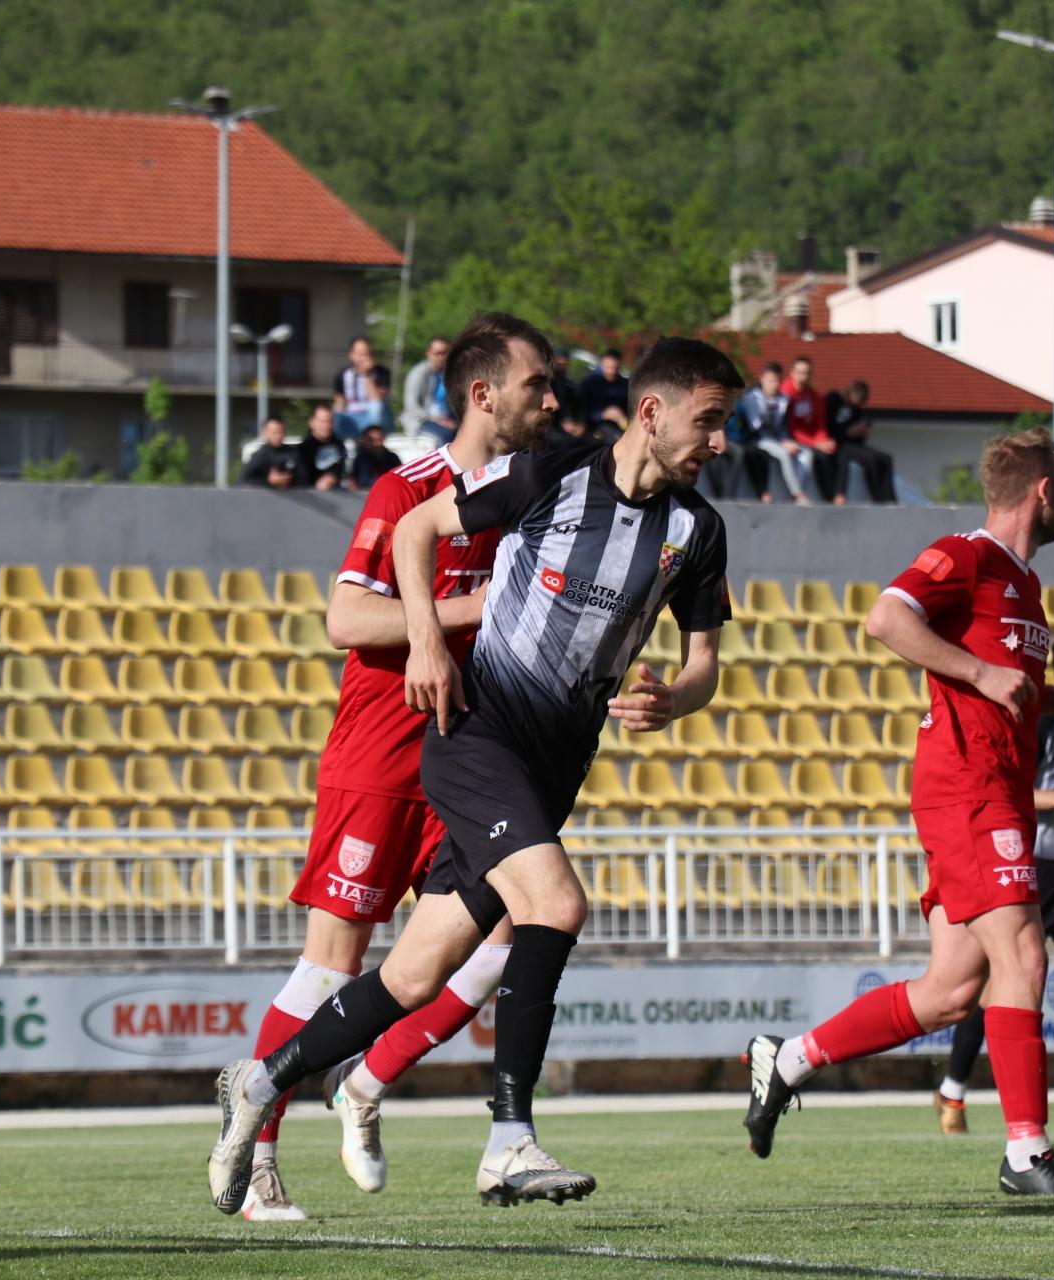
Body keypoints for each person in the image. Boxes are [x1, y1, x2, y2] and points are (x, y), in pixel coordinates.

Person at [210, 335, 740, 1214]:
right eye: (709, 421)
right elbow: (419, 528)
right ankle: (508, 1142)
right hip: (477, 734)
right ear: (653, 412)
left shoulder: (698, 531)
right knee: (557, 906)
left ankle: (259, 1086)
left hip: (555, 765)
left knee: (416, 976)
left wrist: (673, 701)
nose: (719, 442)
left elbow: (705, 662)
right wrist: (424, 636)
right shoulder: (550, 475)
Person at [233, 313, 553, 1221]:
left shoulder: (536, 499)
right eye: (538, 384)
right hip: (381, 759)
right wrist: (470, 609)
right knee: (334, 967)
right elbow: (348, 622)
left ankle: (367, 1079)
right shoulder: (406, 489)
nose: (553, 402)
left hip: (473, 761)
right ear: (485, 394)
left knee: (504, 943)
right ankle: (256, 1151)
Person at [742, 428, 1054, 1199]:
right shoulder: (968, 553)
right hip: (968, 789)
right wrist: (981, 669)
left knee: (951, 989)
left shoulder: (1024, 586)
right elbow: (886, 619)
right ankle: (1026, 1153)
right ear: (1044, 491)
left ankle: (787, 1060)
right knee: (1024, 959)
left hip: (996, 789)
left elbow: (1004, 688)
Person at [936, 631, 1054, 1137]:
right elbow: (1011, 787)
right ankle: (953, 1091)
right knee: (988, 988)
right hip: (1028, 866)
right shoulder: (1043, 723)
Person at [782, 357, 841, 502]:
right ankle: (823, 496)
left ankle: (836, 496)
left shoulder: (815, 397)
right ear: (792, 373)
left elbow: (820, 424)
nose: (803, 377)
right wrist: (815, 443)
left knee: (834, 454)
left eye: (806, 373)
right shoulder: (786, 394)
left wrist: (824, 441)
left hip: (812, 440)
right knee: (814, 457)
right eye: (800, 373)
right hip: (795, 439)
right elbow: (790, 426)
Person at [827, 379, 897, 503]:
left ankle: (890, 499)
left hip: (853, 444)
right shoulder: (832, 400)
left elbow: (858, 434)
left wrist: (861, 432)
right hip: (839, 444)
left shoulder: (856, 408)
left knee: (886, 458)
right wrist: (846, 432)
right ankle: (878, 498)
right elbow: (828, 428)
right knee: (871, 459)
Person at [744, 363, 802, 504]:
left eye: (777, 381)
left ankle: (800, 487)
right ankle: (797, 494)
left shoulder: (784, 400)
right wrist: (782, 443)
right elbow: (756, 428)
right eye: (770, 380)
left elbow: (782, 427)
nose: (774, 385)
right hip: (757, 439)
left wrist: (787, 440)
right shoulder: (752, 398)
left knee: (804, 455)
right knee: (783, 454)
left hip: (777, 439)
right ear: (762, 379)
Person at [706, 377, 771, 501]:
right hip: (725, 440)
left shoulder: (740, 404)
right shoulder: (721, 403)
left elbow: (748, 425)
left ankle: (761, 491)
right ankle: (723, 493)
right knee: (728, 454)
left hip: (739, 440)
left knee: (760, 453)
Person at [401, 336, 457, 441]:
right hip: (421, 421)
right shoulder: (418, 373)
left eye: (445, 353)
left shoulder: (451, 374)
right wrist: (436, 419)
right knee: (447, 435)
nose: (442, 357)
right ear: (429, 354)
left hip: (447, 419)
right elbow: (412, 406)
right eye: (437, 353)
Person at [576, 349, 631, 438]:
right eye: (608, 368)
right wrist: (602, 414)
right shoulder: (589, 383)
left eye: (615, 368)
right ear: (601, 364)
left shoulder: (626, 385)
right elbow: (581, 409)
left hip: (621, 425)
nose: (611, 372)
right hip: (595, 427)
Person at [295, 405, 348, 491]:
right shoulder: (303, 449)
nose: (326, 426)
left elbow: (344, 471)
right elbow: (300, 481)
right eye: (322, 421)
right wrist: (317, 486)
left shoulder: (339, 445)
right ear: (311, 422)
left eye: (329, 421)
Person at [241, 417, 298, 489]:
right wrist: (268, 482)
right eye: (275, 432)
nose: (278, 436)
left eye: (281, 432)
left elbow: (304, 479)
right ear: (264, 433)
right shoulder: (259, 456)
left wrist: (287, 481)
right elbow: (242, 482)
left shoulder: (293, 453)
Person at [349, 425, 403, 491]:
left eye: (378, 440)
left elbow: (400, 480)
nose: (375, 444)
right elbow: (353, 480)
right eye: (371, 441)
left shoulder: (393, 458)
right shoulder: (360, 459)